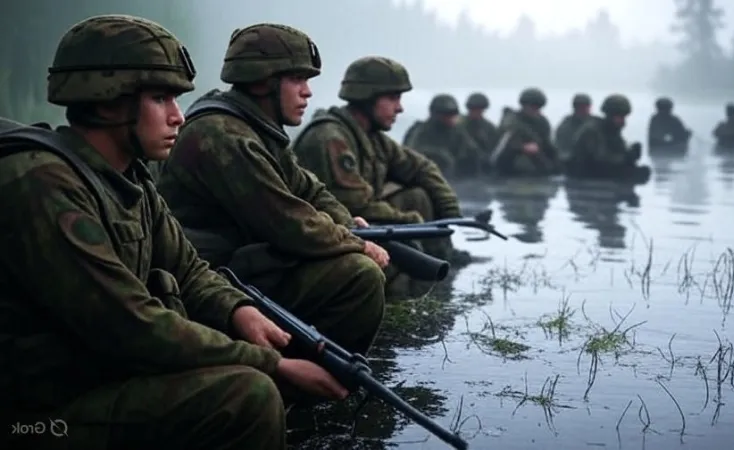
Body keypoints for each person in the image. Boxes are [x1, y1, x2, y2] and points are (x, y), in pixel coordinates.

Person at [0, 15, 345, 450]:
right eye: (161, 98)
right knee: (247, 396)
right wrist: (270, 364)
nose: (178, 116)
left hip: (93, 381)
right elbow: (130, 325)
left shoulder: (128, 178)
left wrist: (238, 310)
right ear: (109, 104)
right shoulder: (42, 184)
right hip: (36, 417)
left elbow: (189, 270)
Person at [156, 24, 387, 358]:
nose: (307, 92)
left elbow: (308, 188)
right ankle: (301, 378)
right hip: (206, 283)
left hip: (239, 268)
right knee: (360, 274)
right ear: (262, 81)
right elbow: (288, 224)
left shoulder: (256, 128)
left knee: (350, 263)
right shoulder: (223, 134)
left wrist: (347, 221)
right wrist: (357, 243)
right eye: (297, 79)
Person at [290, 56, 470, 266]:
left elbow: (421, 168)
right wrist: (412, 220)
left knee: (418, 195)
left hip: (356, 228)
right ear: (367, 97)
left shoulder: (373, 137)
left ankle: (440, 259)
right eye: (393, 98)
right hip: (326, 240)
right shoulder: (330, 138)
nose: (399, 108)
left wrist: (450, 211)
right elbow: (356, 206)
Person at [566, 94, 650, 184]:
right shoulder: (592, 130)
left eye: (623, 117)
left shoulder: (613, 132)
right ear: (610, 115)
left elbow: (619, 151)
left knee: (643, 171)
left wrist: (631, 155)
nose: (622, 121)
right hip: (588, 172)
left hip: (603, 171)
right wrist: (625, 158)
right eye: (619, 117)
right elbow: (600, 159)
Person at [402, 93, 484, 178]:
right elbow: (409, 154)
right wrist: (439, 155)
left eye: (454, 114)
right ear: (436, 114)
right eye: (447, 114)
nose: (451, 118)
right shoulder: (420, 130)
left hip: (455, 179)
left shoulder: (457, 132)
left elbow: (473, 152)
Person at [492, 88, 560, 176]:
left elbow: (548, 146)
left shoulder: (542, 122)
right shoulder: (511, 122)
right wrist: (522, 147)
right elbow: (500, 148)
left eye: (538, 107)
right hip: (512, 167)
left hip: (538, 167)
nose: (535, 110)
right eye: (532, 106)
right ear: (524, 105)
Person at [459, 92, 500, 169]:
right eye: (473, 109)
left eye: (479, 109)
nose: (476, 112)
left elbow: (494, 148)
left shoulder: (489, 127)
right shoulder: (458, 124)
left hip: (481, 165)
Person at [554, 93, 596, 163]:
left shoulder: (596, 122)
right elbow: (562, 147)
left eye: (585, 106)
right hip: (573, 160)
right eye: (579, 107)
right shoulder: (566, 125)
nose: (582, 109)